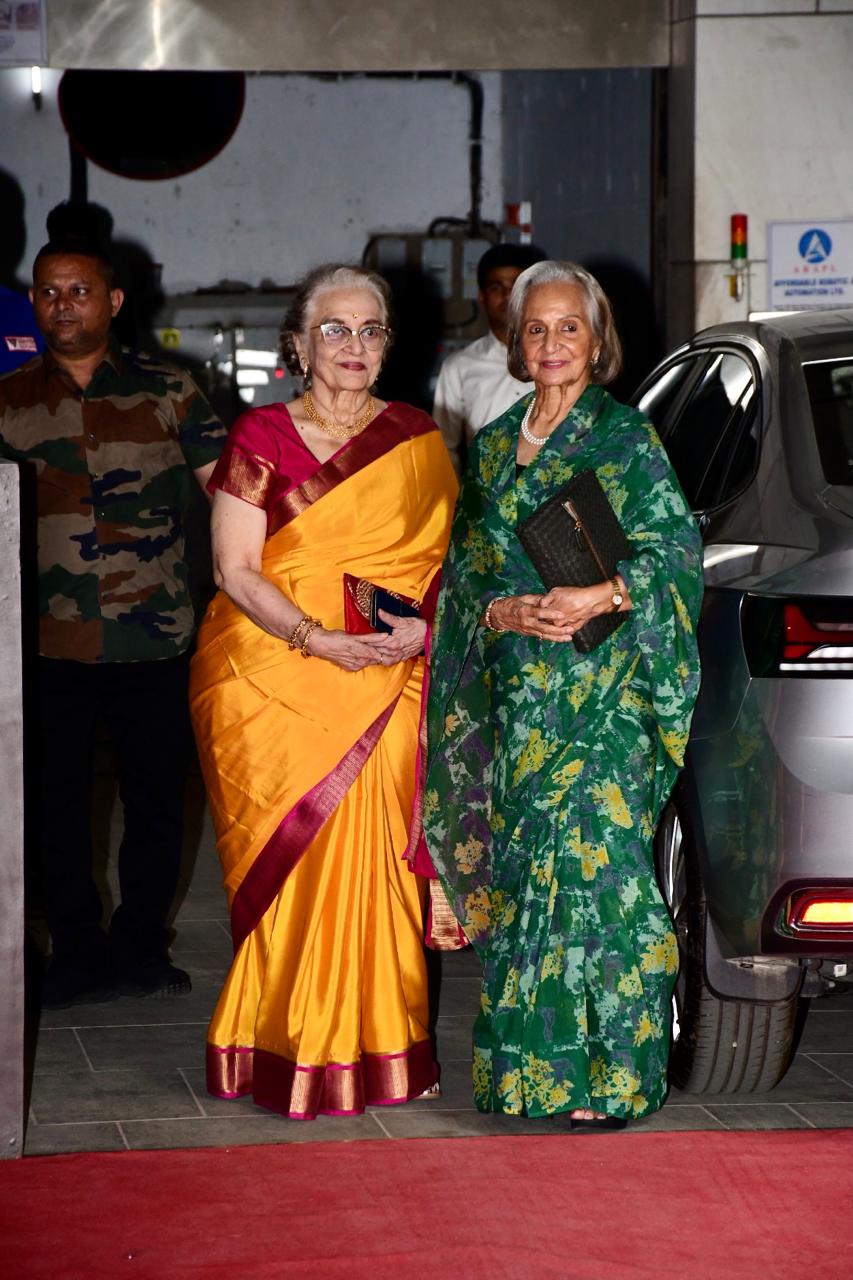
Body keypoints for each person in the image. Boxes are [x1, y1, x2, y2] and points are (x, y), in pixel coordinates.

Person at [423, 260, 703, 1129]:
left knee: (602, 883)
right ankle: (525, 1078)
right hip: (518, 703)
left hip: (604, 698)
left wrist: (602, 594)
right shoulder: (496, 440)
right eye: (534, 329)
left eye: (567, 328)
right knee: (525, 880)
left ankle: (612, 1081)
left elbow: (674, 558)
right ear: (515, 340)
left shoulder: (624, 440)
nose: (550, 344)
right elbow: (464, 573)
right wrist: (499, 605)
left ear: (596, 339)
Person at [190, 263, 458, 1120]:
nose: (353, 345)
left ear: (389, 344)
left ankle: (381, 1043)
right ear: (299, 344)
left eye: (371, 329)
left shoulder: (419, 435)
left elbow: (453, 567)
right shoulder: (261, 436)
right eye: (334, 329)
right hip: (273, 681)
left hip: (387, 685)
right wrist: (315, 640)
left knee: (378, 866)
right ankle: (281, 1042)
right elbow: (235, 569)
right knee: (294, 867)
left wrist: (428, 632)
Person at [0, 236, 227, 1007]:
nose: (61, 305)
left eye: (78, 291)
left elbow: (230, 495)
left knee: (158, 803)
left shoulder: (170, 392)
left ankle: (139, 946)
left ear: (114, 302)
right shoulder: (7, 401)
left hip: (154, 638)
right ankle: (76, 947)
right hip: (45, 641)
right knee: (56, 805)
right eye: (47, 292)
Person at [432, 242, 547, 475]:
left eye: (516, 285)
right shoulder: (459, 367)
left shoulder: (555, 358)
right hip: (483, 500)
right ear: (482, 297)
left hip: (550, 495)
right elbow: (443, 448)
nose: (507, 295)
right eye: (497, 287)